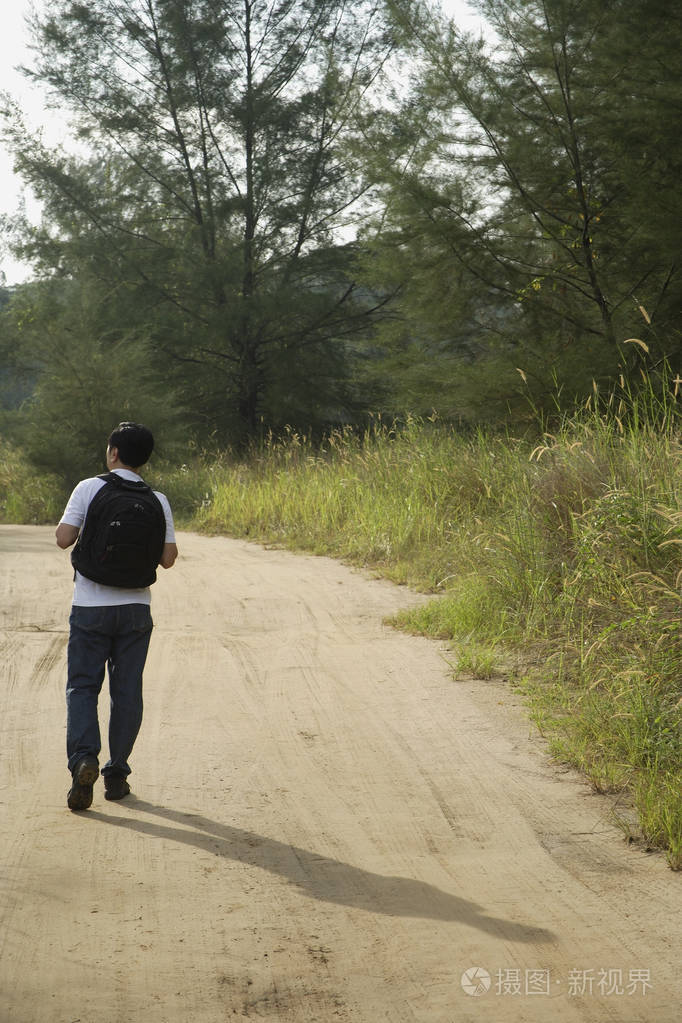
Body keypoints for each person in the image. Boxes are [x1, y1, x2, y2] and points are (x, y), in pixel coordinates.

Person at [55, 422, 178, 811]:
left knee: (82, 687)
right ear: (145, 458)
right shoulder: (157, 500)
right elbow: (168, 559)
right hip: (136, 610)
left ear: (113, 453)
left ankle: (83, 760)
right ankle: (117, 774)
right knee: (127, 692)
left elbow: (63, 538)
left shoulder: (90, 487)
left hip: (91, 607)